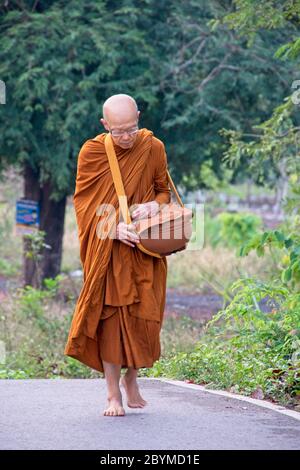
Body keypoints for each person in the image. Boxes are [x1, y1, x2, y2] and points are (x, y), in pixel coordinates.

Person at [64, 93, 171, 417]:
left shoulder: (153, 148)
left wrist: (155, 204)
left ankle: (132, 378)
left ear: (138, 117)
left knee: (145, 320)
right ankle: (113, 395)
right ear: (104, 125)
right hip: (109, 255)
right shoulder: (92, 152)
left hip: (146, 251)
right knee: (110, 323)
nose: (126, 137)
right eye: (118, 131)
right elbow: (83, 204)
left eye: (131, 129)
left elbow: (164, 190)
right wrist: (111, 226)